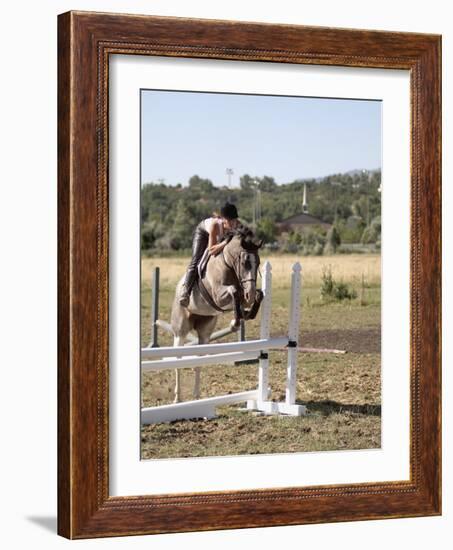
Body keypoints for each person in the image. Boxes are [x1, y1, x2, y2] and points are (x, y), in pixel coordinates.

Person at [179, 202, 240, 307]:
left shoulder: (237, 225)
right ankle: (185, 291)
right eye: (230, 221)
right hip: (203, 233)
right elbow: (211, 250)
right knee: (196, 260)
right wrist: (225, 243)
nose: (233, 224)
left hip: (219, 237)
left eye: (234, 220)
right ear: (223, 219)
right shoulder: (215, 225)